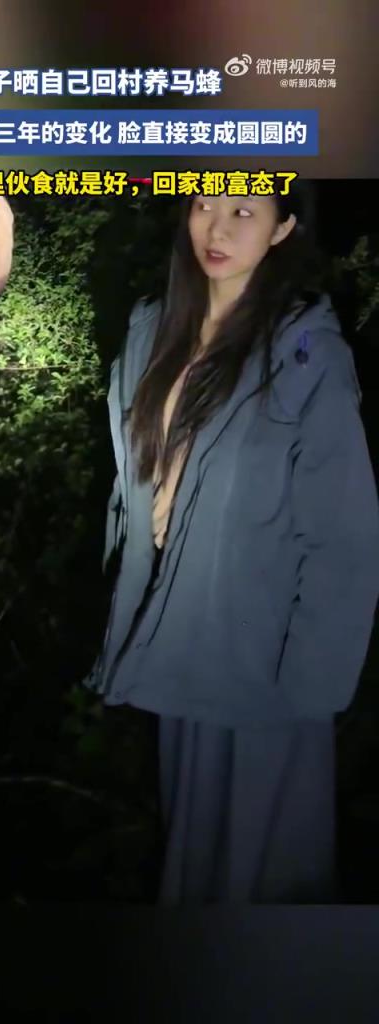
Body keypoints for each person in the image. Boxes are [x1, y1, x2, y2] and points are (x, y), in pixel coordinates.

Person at [82, 181, 379, 905]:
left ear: (282, 228)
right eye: (204, 205)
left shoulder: (305, 353)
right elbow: (131, 488)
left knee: (266, 869)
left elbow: (343, 535)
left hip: (264, 664)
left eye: (244, 210)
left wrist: (310, 687)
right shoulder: (153, 329)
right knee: (193, 861)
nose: (216, 228)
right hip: (179, 642)